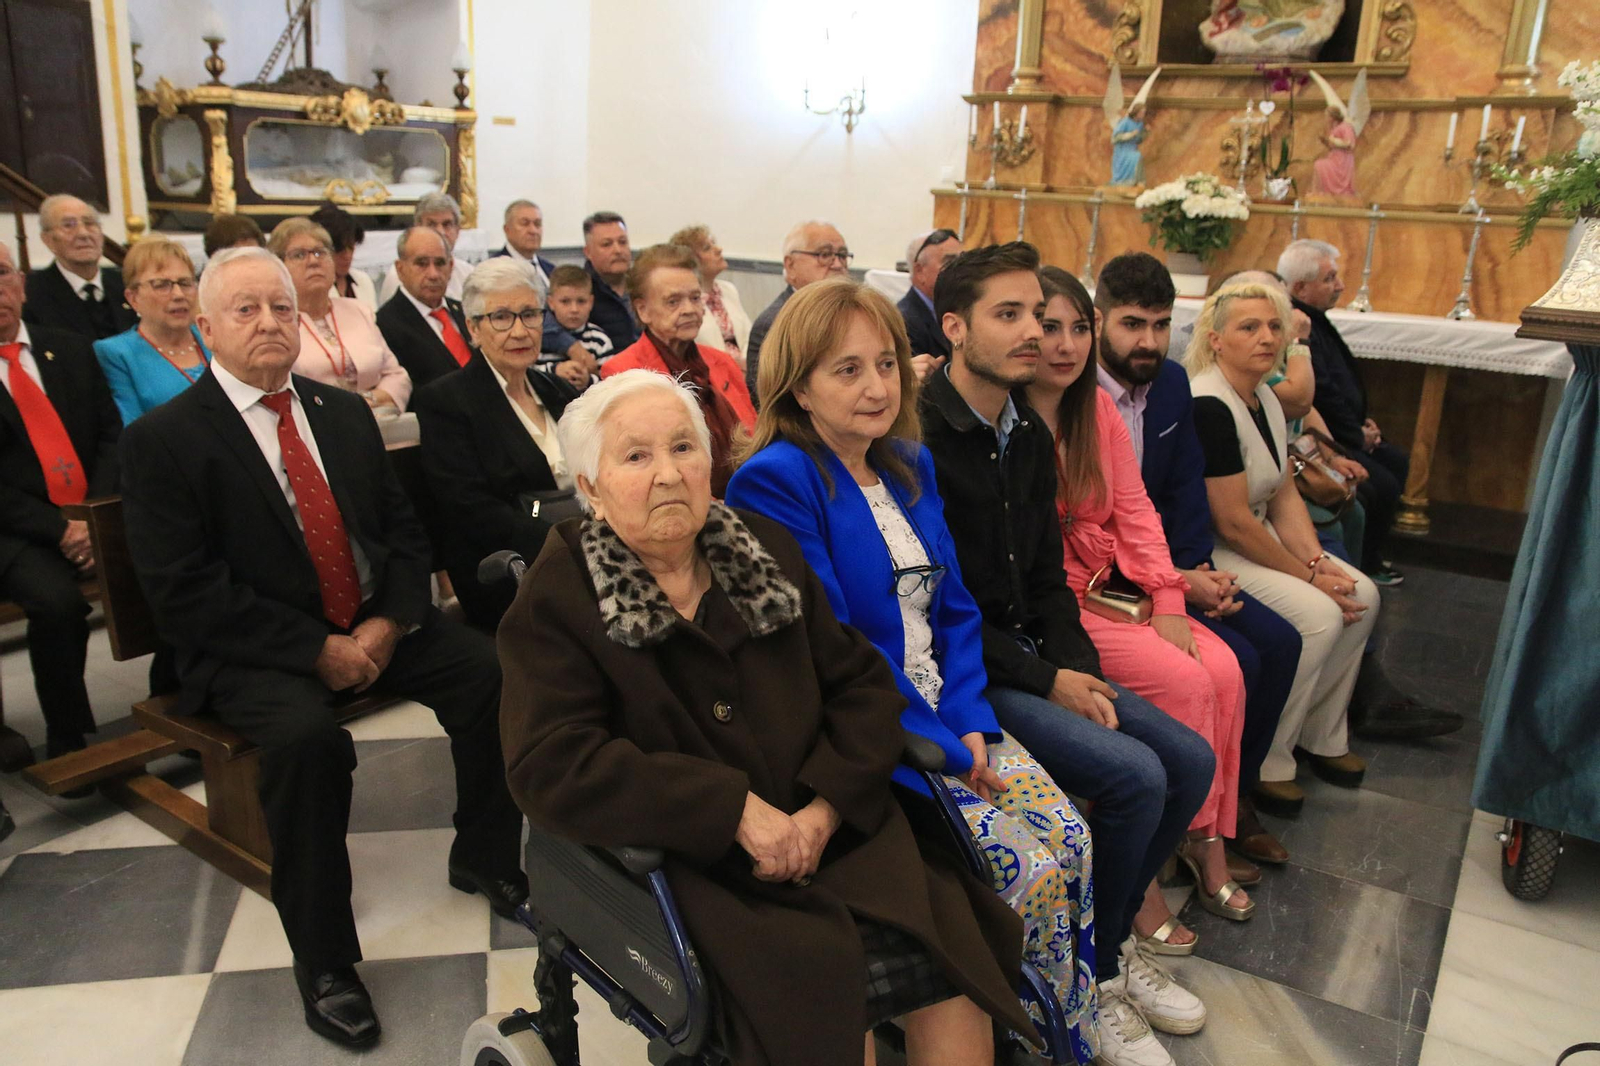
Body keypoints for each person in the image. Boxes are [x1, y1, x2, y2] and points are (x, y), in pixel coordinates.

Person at [498, 368, 1037, 1066]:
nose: (668, 474)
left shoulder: (759, 549)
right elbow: (552, 761)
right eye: (636, 456)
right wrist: (731, 811)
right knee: (815, 989)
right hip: (699, 864)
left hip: (834, 831)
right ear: (591, 488)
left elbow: (864, 689)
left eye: (684, 449)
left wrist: (827, 807)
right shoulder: (560, 594)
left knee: (954, 956)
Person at [119, 247, 525, 1048]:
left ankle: (483, 853)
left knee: (491, 672)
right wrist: (316, 649)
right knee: (308, 745)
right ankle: (327, 960)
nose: (270, 323)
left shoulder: (340, 414)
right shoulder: (164, 441)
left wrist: (387, 623)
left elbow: (405, 536)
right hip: (252, 647)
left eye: (280, 307)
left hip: (370, 620)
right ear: (204, 328)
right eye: (245, 310)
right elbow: (185, 592)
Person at [727, 278, 1099, 1063]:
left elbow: (957, 611)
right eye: (847, 370)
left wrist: (969, 719)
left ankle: (1063, 1022)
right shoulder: (777, 480)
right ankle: (1047, 1036)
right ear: (799, 385)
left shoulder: (908, 465)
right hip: (880, 736)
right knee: (1028, 871)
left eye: (887, 365)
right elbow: (837, 648)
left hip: (952, 717)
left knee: (1071, 836)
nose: (876, 387)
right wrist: (942, 741)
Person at [921, 242, 1214, 1066]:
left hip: (1033, 653)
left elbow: (1049, 581)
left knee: (1188, 760)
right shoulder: (923, 442)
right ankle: (1090, 988)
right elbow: (946, 611)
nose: (1034, 335)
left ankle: (1108, 954)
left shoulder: (1022, 432)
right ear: (954, 327)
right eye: (1010, 316)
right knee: (1134, 777)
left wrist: (1080, 668)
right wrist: (1050, 680)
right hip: (973, 669)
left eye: (1040, 317)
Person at [1025, 266, 1252, 962]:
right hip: (1064, 603)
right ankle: (1148, 879)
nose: (1065, 346)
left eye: (1078, 329)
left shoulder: (1093, 408)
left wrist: (1171, 598)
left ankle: (1206, 837)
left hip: (1111, 585)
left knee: (1225, 669)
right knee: (1185, 681)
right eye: (1049, 328)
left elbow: (1134, 509)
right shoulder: (1013, 413)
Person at [1094, 253, 1300, 859]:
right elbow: (1102, 518)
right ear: (1099, 318)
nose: (1148, 341)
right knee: (1238, 660)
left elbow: (1185, 488)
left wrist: (1194, 570)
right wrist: (1177, 583)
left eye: (1161, 325)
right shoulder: (1078, 393)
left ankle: (1234, 799)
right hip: (1106, 575)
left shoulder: (1173, 384)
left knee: (1280, 643)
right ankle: (1193, 819)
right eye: (1132, 324)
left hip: (1173, 565)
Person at [1185, 280, 1381, 811]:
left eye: (1273, 326)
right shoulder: (1209, 403)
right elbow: (1232, 522)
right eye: (1249, 327)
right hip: (1220, 549)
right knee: (1319, 614)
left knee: (1364, 593)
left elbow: (1284, 494)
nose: (1266, 337)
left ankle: (1320, 735)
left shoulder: (1265, 396)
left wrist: (1318, 559)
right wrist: (1311, 578)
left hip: (1260, 536)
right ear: (1217, 338)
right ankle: (1269, 760)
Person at [0, 240, 121, 763]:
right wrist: (60, 529)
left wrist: (92, 518)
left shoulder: (69, 348)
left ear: (22, 283)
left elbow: (111, 436)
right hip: (18, 529)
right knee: (58, 603)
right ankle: (68, 732)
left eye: (2, 274)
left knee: (167, 559)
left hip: (88, 512)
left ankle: (182, 691)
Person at [413, 258, 579, 630]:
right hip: (507, 569)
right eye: (501, 317)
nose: (519, 331)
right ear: (473, 328)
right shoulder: (446, 401)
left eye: (529, 314)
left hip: (585, 549)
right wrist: (571, 543)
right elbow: (471, 511)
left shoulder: (558, 390)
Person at [1277, 240, 1405, 585]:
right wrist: (1349, 440)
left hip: (1329, 438)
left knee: (1392, 465)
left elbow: (1328, 392)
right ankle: (1362, 571)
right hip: (1303, 453)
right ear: (1300, 288)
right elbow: (1313, 398)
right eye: (1330, 278)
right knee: (1371, 491)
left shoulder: (1312, 322)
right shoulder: (1297, 330)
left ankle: (1366, 566)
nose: (1340, 286)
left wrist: (1349, 437)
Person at [601, 244, 754, 496]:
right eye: (673, 301)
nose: (689, 309)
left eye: (695, 298)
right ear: (643, 310)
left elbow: (753, 434)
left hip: (745, 494)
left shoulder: (722, 362)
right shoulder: (623, 373)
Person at [270, 218, 411, 416]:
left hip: (378, 424)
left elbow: (397, 376)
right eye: (299, 255)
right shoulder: (275, 323)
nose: (313, 261)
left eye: (320, 252)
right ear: (278, 267)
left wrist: (366, 402)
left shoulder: (358, 311)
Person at [94, 238, 212, 424]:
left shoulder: (214, 338)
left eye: (184, 282)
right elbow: (132, 430)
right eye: (161, 285)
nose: (178, 295)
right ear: (133, 298)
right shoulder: (115, 354)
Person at [745, 220, 851, 402]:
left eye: (842, 255)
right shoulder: (775, 323)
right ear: (791, 265)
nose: (838, 264)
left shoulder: (851, 313)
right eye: (825, 255)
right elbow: (773, 405)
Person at [23, 194, 137, 341]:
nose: (83, 234)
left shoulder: (127, 283)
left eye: (89, 223)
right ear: (48, 240)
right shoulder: (31, 293)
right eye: (68, 225)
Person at [375, 226, 475, 390]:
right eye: (421, 264)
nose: (433, 274)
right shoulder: (386, 324)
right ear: (400, 269)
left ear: (450, 267)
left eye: (440, 263)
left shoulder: (464, 311)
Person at [671, 224, 752, 366]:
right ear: (691, 261)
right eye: (707, 248)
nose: (719, 250)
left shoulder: (728, 289)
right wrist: (731, 366)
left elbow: (748, 336)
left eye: (714, 243)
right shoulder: (686, 303)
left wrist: (747, 364)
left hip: (746, 372)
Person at [377, 193, 475, 304]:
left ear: (457, 230)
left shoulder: (468, 273)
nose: (441, 232)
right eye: (432, 224)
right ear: (417, 228)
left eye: (447, 224)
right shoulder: (399, 276)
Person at [539, 264, 611, 388]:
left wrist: (587, 380)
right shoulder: (538, 340)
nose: (574, 309)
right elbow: (527, 374)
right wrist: (555, 371)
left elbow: (610, 383)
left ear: (591, 302)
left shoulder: (600, 340)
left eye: (581, 301)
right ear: (551, 303)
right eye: (565, 301)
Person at [898, 228, 962, 366]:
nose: (961, 269)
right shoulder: (904, 321)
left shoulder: (957, 308)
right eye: (949, 263)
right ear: (920, 271)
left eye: (962, 261)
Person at [580, 210, 640, 351]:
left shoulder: (643, 284)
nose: (618, 250)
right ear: (588, 252)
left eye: (622, 242)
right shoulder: (580, 290)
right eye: (607, 244)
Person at [310, 203, 377, 312]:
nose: (347, 256)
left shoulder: (363, 280)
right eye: (339, 249)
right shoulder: (314, 286)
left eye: (351, 247)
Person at [490, 199, 555, 286]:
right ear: (507, 229)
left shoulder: (551, 270)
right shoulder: (494, 270)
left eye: (537, 224)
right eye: (525, 223)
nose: (533, 231)